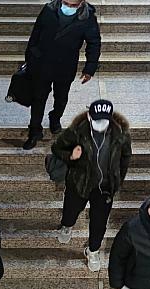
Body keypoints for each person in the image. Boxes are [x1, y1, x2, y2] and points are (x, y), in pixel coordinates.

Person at [52, 99, 132, 271]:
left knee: (99, 222)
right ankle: (67, 226)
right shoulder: (76, 131)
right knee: (70, 211)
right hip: (80, 182)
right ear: (89, 116)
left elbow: (125, 157)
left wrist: (118, 180)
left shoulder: (121, 135)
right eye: (96, 120)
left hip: (104, 188)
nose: (100, 124)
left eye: (104, 120)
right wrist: (71, 156)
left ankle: (93, 250)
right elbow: (57, 148)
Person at [22, 0, 101, 150]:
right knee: (38, 98)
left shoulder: (88, 16)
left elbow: (94, 42)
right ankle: (34, 132)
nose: (69, 7)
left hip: (66, 65)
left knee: (61, 98)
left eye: (73, 5)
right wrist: (30, 58)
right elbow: (36, 34)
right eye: (66, 3)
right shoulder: (49, 10)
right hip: (42, 63)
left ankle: (55, 117)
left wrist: (89, 68)